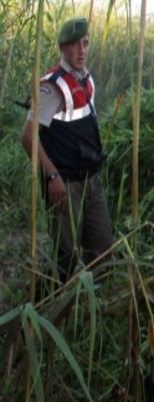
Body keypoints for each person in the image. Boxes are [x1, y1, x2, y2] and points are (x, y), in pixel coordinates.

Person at [20, 17, 113, 282]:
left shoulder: (87, 80)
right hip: (65, 184)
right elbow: (28, 137)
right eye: (73, 45)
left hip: (91, 179)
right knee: (67, 257)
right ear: (62, 48)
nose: (81, 50)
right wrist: (52, 176)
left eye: (85, 43)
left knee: (104, 251)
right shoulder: (52, 86)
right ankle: (47, 308)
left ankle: (91, 314)